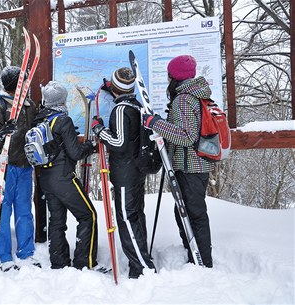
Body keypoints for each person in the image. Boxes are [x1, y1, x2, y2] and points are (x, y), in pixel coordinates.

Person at [142, 55, 214, 268]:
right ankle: (194, 253)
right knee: (184, 210)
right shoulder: (196, 94)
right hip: (196, 163)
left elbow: (186, 136)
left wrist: (155, 123)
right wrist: (165, 122)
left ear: (174, 76)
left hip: (190, 165)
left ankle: (202, 261)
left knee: (193, 212)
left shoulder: (184, 99)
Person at [91, 67, 156, 279]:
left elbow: (119, 142)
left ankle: (142, 267)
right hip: (136, 170)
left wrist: (99, 130)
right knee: (136, 215)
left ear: (115, 88)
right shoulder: (137, 106)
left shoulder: (120, 110)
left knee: (127, 218)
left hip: (125, 172)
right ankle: (141, 260)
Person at [35, 81, 104, 271]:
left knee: (57, 221)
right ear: (62, 101)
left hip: (46, 179)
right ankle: (85, 262)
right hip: (64, 178)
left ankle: (59, 262)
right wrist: (90, 146)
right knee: (88, 215)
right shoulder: (63, 120)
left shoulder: (41, 120)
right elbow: (74, 153)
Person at [0, 66, 38, 272]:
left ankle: (26, 252)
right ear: (14, 84)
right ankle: (3, 255)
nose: (26, 85)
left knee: (24, 212)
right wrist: (1, 134)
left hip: (24, 166)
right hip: (4, 167)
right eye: (23, 82)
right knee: (3, 212)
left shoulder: (29, 105)